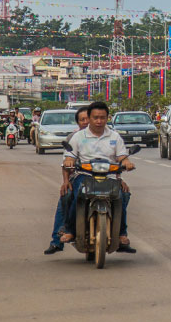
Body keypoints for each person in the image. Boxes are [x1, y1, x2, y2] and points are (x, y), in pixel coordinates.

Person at [58, 102, 136, 253]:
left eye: (102, 118)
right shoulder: (78, 137)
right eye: (95, 118)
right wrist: (69, 161)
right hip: (85, 175)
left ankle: (121, 233)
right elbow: (70, 156)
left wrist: (127, 163)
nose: (99, 121)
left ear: (107, 118)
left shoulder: (115, 136)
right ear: (89, 118)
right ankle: (70, 230)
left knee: (122, 196)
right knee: (74, 195)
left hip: (110, 176)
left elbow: (122, 156)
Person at [44, 106, 89, 254]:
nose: (86, 122)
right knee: (67, 195)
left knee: (122, 195)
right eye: (82, 119)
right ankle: (58, 239)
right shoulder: (73, 138)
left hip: (105, 177)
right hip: (80, 177)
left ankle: (120, 234)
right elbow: (66, 163)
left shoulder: (108, 136)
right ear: (78, 123)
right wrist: (66, 181)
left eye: (89, 118)